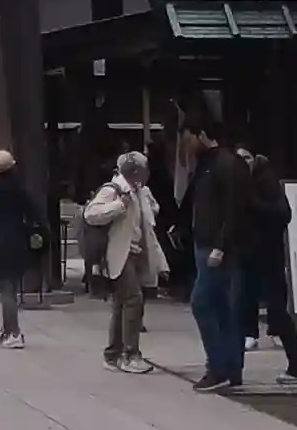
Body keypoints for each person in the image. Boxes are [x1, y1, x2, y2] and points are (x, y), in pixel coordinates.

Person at [82, 150, 167, 373]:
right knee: (133, 299)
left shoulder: (140, 190)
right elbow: (91, 214)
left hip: (135, 252)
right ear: (136, 172)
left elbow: (148, 225)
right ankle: (130, 354)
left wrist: (160, 261)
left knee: (121, 303)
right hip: (119, 253)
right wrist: (119, 205)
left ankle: (113, 354)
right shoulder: (114, 190)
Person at [188, 123, 252, 391]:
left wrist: (221, 245)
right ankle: (230, 367)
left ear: (202, 134)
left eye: (189, 137)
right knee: (221, 306)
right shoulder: (207, 163)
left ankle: (218, 366)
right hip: (206, 241)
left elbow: (235, 208)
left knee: (202, 302)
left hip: (216, 245)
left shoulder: (226, 164)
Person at [241, 148, 297, 384]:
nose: (243, 162)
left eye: (247, 158)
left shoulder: (266, 180)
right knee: (243, 302)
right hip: (249, 253)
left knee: (278, 312)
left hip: (269, 255)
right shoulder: (241, 182)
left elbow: (282, 214)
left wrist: (252, 205)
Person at [0, 149, 44, 348]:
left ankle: (13, 332)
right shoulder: (19, 187)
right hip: (18, 238)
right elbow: (34, 212)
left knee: (6, 290)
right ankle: (8, 329)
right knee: (11, 287)